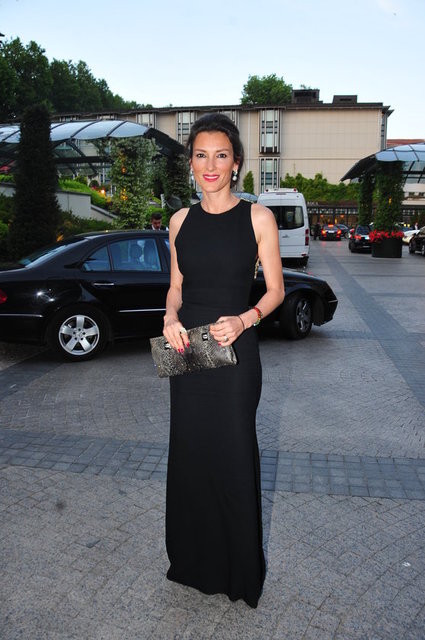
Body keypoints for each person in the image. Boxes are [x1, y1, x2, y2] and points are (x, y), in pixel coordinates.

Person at [162, 113, 285, 608]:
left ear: (236, 163)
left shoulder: (258, 218)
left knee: (232, 454)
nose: (210, 165)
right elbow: (175, 288)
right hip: (189, 350)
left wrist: (245, 318)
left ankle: (238, 571)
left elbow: (275, 291)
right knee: (190, 453)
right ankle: (193, 562)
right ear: (191, 163)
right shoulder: (179, 221)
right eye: (200, 155)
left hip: (236, 354)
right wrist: (169, 318)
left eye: (221, 155)